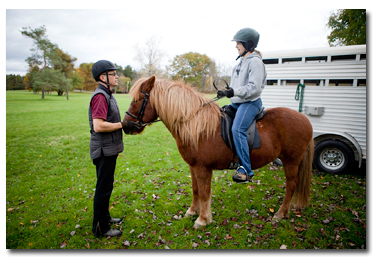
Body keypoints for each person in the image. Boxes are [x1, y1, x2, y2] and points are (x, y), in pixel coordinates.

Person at [89, 60, 141, 237]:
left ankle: (105, 218)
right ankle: (100, 228)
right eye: (113, 74)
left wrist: (124, 125)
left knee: (107, 186)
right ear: (103, 77)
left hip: (109, 148)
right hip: (103, 150)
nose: (117, 76)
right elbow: (98, 126)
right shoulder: (100, 97)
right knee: (103, 189)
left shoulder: (108, 94)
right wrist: (122, 124)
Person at [217, 28, 267, 184]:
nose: (236, 46)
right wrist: (226, 93)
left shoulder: (255, 62)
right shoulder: (241, 61)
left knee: (237, 129)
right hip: (237, 103)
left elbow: (254, 88)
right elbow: (237, 86)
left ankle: (245, 169)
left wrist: (234, 91)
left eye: (238, 43)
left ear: (247, 44)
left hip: (250, 103)